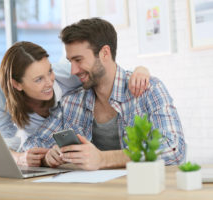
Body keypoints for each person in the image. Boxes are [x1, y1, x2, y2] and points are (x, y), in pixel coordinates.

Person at [22, 18, 186, 170]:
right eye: (70, 61)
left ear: (105, 53)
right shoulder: (71, 103)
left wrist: (103, 159)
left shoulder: (149, 90)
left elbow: (174, 149)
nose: (73, 70)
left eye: (78, 60)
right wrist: (47, 157)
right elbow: (31, 145)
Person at [0, 41, 150, 167]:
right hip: (43, 156)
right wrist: (21, 158)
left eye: (49, 71)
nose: (49, 82)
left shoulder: (67, 74)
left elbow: (108, 72)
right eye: (38, 79)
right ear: (17, 84)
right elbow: (3, 142)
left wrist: (141, 70)